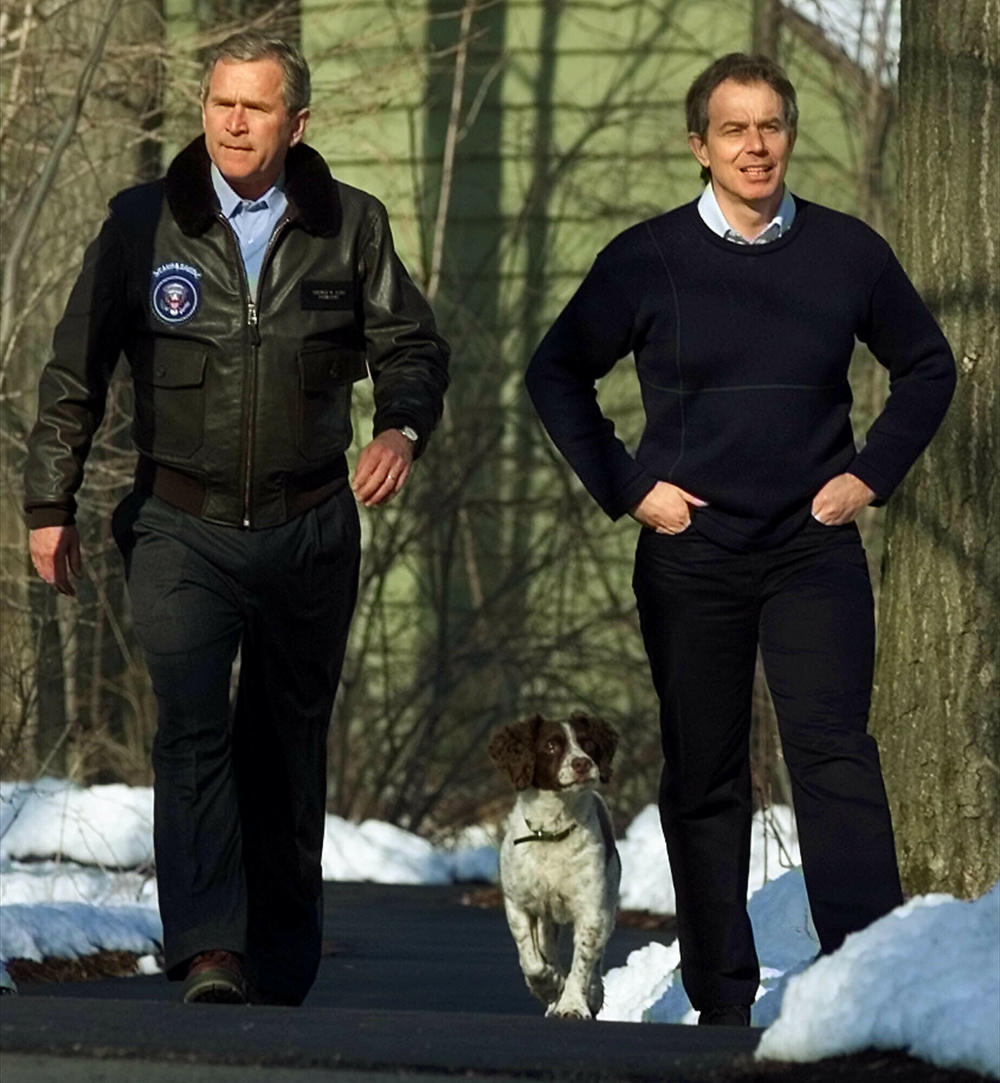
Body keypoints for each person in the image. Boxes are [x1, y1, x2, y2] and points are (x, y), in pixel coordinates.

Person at [525, 53, 955, 1026]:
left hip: (812, 549)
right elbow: (557, 373)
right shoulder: (648, 258)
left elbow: (928, 366)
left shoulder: (846, 253)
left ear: (788, 137)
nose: (754, 146)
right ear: (699, 147)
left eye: (770, 126)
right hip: (691, 553)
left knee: (835, 758)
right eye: (733, 129)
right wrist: (632, 489)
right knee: (704, 767)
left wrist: (867, 475)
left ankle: (867, 985)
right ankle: (719, 998)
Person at [24, 32, 449, 1007]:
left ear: (297, 124)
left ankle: (281, 955)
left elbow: (411, 347)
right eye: (221, 103)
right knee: (191, 728)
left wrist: (402, 430)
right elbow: (72, 373)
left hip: (308, 527)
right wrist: (50, 504)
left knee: (283, 744)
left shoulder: (352, 226)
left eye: (255, 108)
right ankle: (210, 948)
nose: (233, 122)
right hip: (179, 524)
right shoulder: (142, 225)